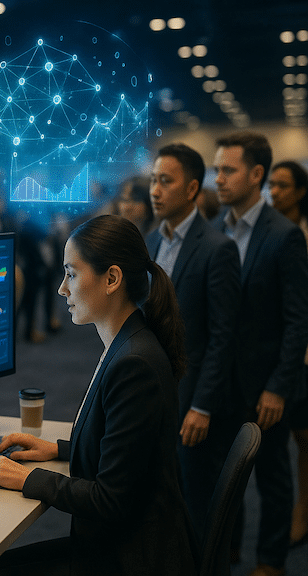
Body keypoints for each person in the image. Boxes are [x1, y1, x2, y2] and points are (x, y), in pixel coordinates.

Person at [0, 214, 197, 576]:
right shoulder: (126, 343)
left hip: (129, 557)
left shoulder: (134, 363)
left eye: (71, 274)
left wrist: (27, 479)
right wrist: (58, 449)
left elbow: (111, 499)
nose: (62, 288)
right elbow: (123, 452)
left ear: (111, 278)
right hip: (119, 542)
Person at [211, 132, 308, 576]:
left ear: (256, 174)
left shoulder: (284, 236)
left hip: (265, 385)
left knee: (272, 476)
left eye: (227, 170)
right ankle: (227, 548)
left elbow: (297, 321)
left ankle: (270, 559)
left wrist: (279, 386)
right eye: (216, 170)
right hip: (219, 382)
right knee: (222, 475)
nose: (219, 179)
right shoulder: (214, 231)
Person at [145, 143, 241, 537]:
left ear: (192, 190)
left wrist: (202, 405)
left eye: (165, 181)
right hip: (152, 390)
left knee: (196, 499)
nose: (154, 189)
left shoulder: (218, 248)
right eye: (153, 179)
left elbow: (223, 336)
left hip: (193, 398)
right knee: (155, 494)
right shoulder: (149, 242)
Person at [267, 159, 308, 547]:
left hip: (303, 354)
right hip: (281, 355)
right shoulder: (271, 233)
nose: (274, 191)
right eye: (271, 185)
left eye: (282, 185)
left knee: (304, 439)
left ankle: (302, 511)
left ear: (300, 191)